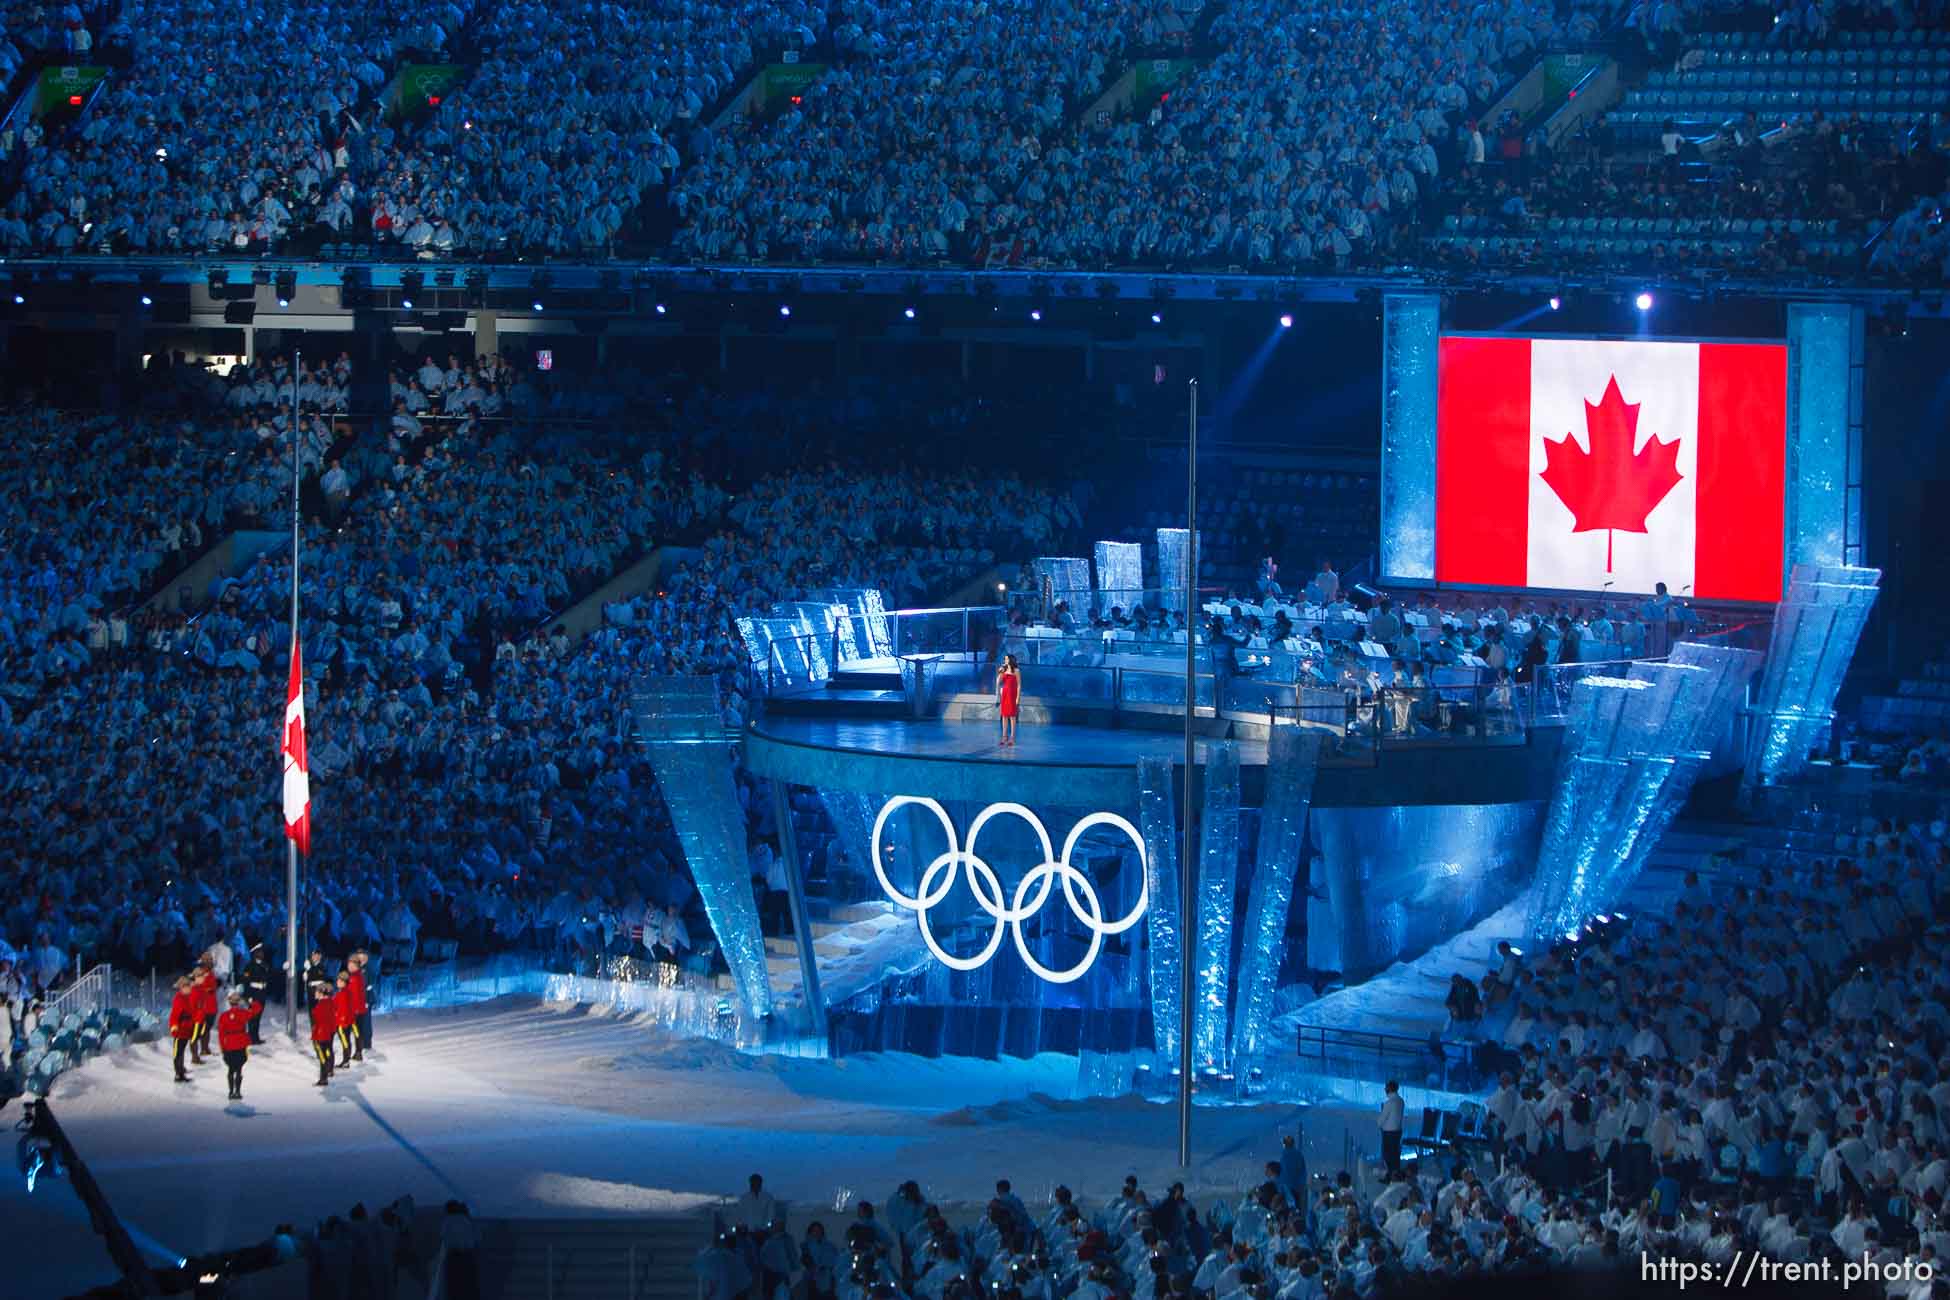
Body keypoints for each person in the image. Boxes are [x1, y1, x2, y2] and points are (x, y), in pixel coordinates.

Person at [216, 990, 260, 1100]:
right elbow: (257, 1010)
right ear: (238, 1002)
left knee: (230, 1069)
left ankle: (230, 1092)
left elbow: (221, 1034)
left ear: (229, 1002)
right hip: (240, 1044)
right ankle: (238, 1092)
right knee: (239, 1069)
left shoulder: (224, 1016)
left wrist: (222, 1047)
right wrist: (251, 1003)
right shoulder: (243, 1013)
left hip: (229, 1045)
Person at [238, 944, 271, 1045]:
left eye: (262, 952)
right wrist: (248, 996)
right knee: (252, 1017)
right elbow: (246, 981)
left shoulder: (265, 965)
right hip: (253, 992)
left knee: (258, 1016)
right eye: (259, 952)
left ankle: (255, 1037)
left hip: (262, 992)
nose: (261, 954)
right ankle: (251, 1037)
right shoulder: (249, 966)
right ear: (254, 953)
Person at [308, 980, 338, 1086]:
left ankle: (323, 1078)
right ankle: (329, 1070)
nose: (315, 993)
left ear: (322, 993)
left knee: (322, 1056)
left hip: (322, 1035)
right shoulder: (330, 1003)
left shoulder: (322, 1005)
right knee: (328, 1051)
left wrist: (316, 1035)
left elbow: (319, 1020)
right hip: (329, 1032)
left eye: (317, 991)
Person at [169, 975, 197, 1082]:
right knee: (178, 1053)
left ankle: (181, 1071)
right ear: (182, 988)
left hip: (186, 1029)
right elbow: (175, 1015)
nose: (190, 988)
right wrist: (174, 1026)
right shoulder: (179, 999)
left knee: (181, 1052)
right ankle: (178, 1073)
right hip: (180, 1030)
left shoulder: (187, 997)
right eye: (187, 987)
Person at [347, 949, 372, 1059]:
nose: (361, 960)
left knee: (365, 1024)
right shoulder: (354, 972)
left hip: (364, 1002)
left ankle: (365, 1044)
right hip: (356, 1004)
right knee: (358, 1027)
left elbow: (368, 988)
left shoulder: (366, 971)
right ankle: (360, 1047)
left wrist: (366, 1001)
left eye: (363, 958)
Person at [1380, 1079, 1406, 1173]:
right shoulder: (1401, 1101)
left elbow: (1382, 1119)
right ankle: (1396, 1175)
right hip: (1397, 1131)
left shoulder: (1389, 1103)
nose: (1385, 1089)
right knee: (1395, 1155)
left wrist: (1379, 1123)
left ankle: (1390, 1176)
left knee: (1388, 1156)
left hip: (1388, 1132)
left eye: (1386, 1087)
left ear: (1390, 1088)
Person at [333, 969, 357, 1068]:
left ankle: (346, 1061)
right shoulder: (346, 992)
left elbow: (342, 1009)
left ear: (343, 982)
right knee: (346, 1041)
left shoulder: (343, 993)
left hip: (342, 1023)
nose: (337, 982)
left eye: (339, 981)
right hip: (347, 1021)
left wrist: (341, 1020)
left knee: (345, 1041)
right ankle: (346, 1060)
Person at [996, 652, 1022, 747]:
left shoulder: (1016, 670)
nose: (1005, 660)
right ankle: (1004, 737)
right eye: (1004, 659)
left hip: (1013, 695)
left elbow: (1019, 685)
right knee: (1004, 716)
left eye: (1006, 659)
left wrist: (1018, 698)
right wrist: (1000, 671)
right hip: (1005, 694)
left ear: (1010, 660)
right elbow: (998, 682)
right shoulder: (1004, 670)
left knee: (1012, 716)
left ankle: (1012, 737)